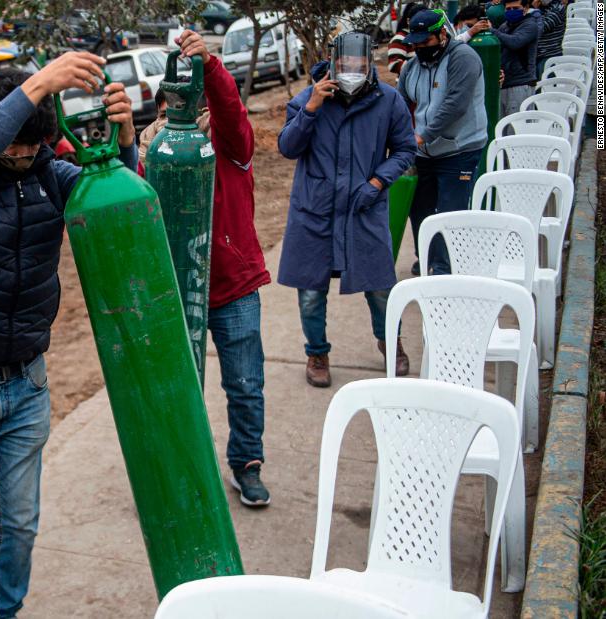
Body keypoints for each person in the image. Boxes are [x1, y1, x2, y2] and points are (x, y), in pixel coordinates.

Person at [0, 52, 138, 618]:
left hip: (26, 385)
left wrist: (126, 139)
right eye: (15, 142)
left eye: (35, 145)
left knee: (18, 523)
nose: (23, 155)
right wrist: (38, 85)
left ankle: (2, 612)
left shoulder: (46, 176)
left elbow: (109, 199)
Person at [137, 30, 272, 505]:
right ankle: (176, 471)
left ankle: (246, 464)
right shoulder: (152, 159)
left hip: (233, 287)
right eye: (167, 110)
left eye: (192, 109)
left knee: (245, 384)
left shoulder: (230, 148)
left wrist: (210, 66)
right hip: (177, 293)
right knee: (175, 390)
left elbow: (231, 112)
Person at [278, 31, 416, 388]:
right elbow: (288, 147)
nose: (351, 69)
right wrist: (310, 110)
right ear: (334, 62)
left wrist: (377, 182)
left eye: (359, 63)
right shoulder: (309, 97)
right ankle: (317, 352)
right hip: (315, 211)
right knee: (310, 291)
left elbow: (404, 150)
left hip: (362, 207)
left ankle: (391, 342)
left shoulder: (388, 100)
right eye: (345, 63)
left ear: (370, 62)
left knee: (381, 285)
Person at [398, 8, 489, 277]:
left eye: (426, 42)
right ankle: (427, 256)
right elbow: (401, 103)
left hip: (459, 149)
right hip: (423, 154)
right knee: (421, 211)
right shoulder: (411, 67)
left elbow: (455, 105)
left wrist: (422, 135)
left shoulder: (463, 58)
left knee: (450, 212)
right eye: (415, 44)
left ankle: (446, 270)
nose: (420, 48)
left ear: (442, 34)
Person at [487, 0, 541, 115]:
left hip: (521, 84)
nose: (511, 11)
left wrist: (492, 30)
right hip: (504, 83)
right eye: (508, 9)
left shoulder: (530, 25)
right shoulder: (505, 26)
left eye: (516, 8)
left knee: (517, 130)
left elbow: (515, 42)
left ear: (525, 8)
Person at [388, 2, 428, 75]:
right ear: (409, 21)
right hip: (408, 84)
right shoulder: (399, 38)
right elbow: (394, 65)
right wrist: (421, 70)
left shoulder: (428, 36)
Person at [533, 0, 567, 79]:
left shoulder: (557, 9)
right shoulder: (542, 8)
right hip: (537, 53)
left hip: (550, 53)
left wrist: (535, 10)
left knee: (544, 85)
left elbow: (542, 27)